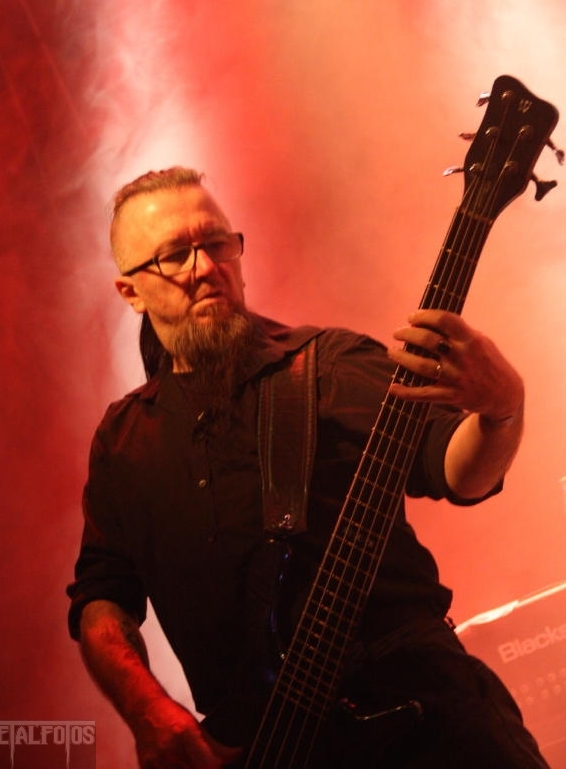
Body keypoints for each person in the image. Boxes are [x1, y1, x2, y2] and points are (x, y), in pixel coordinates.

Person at [67, 166, 550, 769]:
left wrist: (502, 411)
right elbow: (101, 601)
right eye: (174, 255)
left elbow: (457, 471)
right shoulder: (122, 443)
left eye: (218, 243)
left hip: (428, 726)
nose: (206, 266)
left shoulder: (331, 365)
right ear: (131, 291)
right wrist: (148, 712)